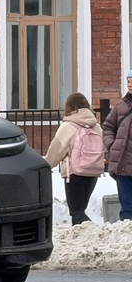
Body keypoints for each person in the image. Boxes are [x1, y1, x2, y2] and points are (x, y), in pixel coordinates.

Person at [45, 92, 103, 225]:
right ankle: (85, 234)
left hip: (75, 173)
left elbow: (56, 150)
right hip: (93, 173)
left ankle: (92, 232)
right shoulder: (96, 126)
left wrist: (45, 165)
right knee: (81, 209)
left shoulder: (68, 126)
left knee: (76, 212)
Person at [103, 70, 132, 221]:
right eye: (128, 81)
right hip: (123, 164)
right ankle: (126, 235)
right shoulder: (120, 106)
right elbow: (107, 127)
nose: (130, 85)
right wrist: (111, 145)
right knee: (126, 207)